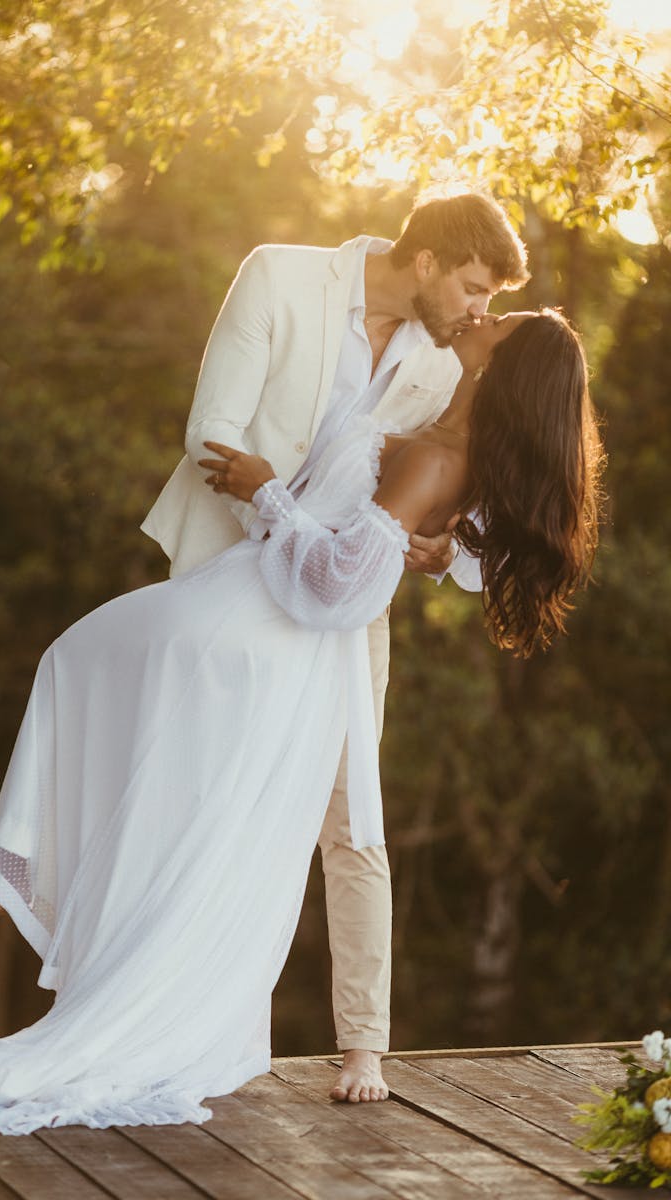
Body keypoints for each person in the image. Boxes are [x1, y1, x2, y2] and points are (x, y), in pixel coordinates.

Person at [0, 307, 602, 1136]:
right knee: (177, 792)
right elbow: (426, 549)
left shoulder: (437, 456)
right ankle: (22, 882)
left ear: (500, 364)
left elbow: (337, 591)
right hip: (268, 634)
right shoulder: (453, 442)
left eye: (498, 319)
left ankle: (13, 875)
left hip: (254, 624)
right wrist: (431, 544)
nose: (483, 314)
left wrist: (268, 493)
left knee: (76, 666)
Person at [141, 192, 530, 1102]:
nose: (480, 312)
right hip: (226, 585)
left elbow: (449, 493)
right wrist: (287, 547)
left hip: (345, 614)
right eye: (474, 286)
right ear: (427, 259)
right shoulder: (279, 275)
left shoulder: (444, 364)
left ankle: (364, 1045)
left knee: (354, 823)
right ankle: (192, 1025)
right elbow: (214, 435)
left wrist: (436, 551)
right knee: (202, 803)